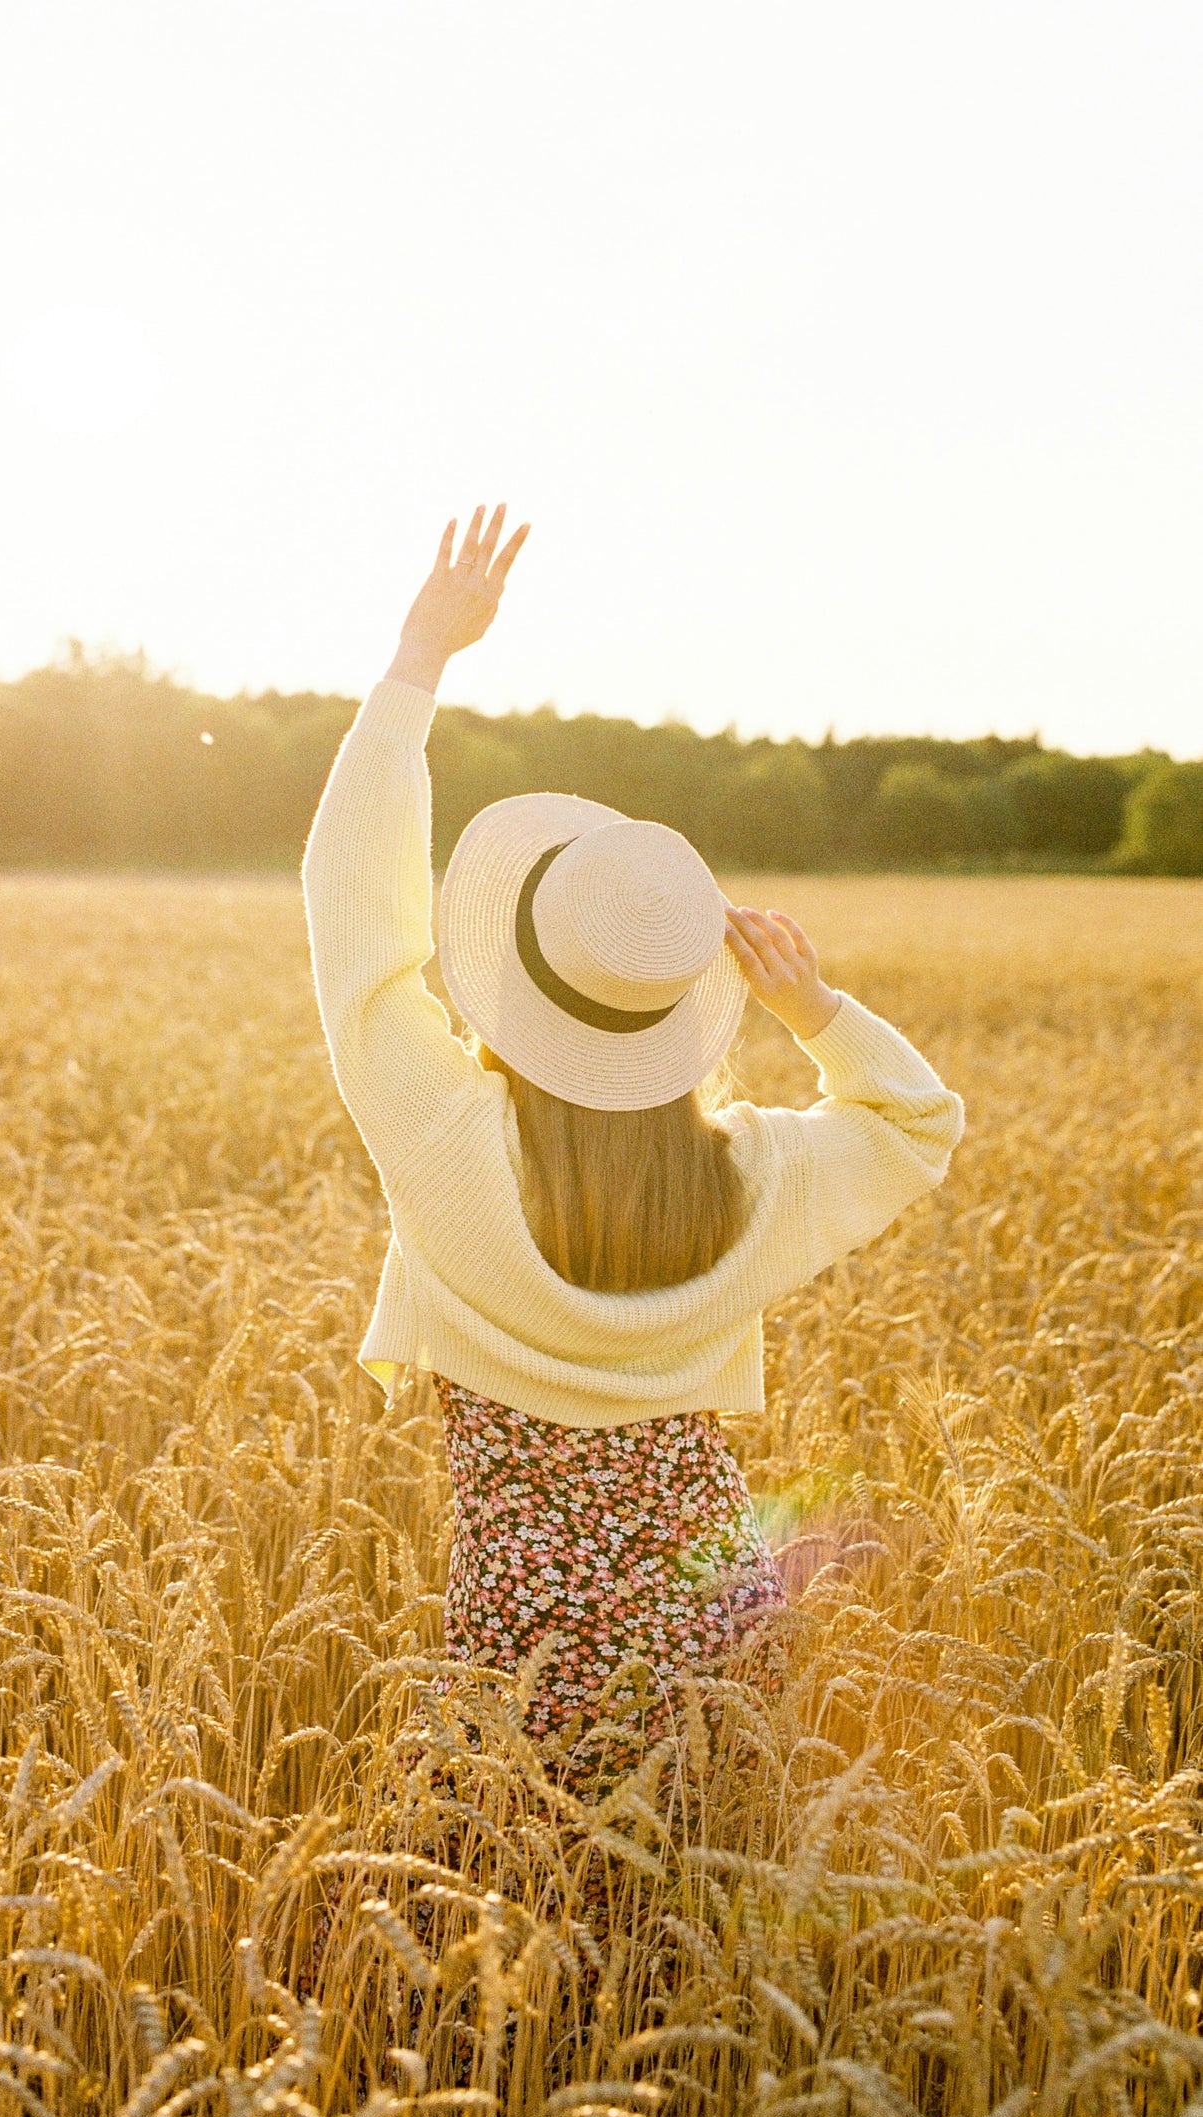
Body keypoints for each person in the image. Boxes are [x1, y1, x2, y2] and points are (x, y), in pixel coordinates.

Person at [302, 505, 964, 1772]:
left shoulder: (447, 1137)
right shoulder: (750, 1174)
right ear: (674, 1005)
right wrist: (810, 1005)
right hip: (714, 1628)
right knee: (693, 1926)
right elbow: (915, 1123)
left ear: (515, 966)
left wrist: (415, 663)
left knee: (518, 1915)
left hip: (518, 1633)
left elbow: (355, 926)